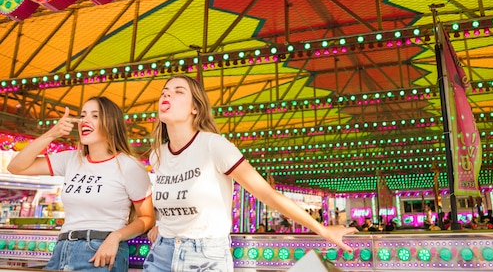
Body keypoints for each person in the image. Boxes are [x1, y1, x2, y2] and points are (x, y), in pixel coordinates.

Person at [143, 75, 358, 272]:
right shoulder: (157, 155)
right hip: (162, 253)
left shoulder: (214, 146)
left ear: (195, 108)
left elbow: (267, 194)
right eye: (165, 90)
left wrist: (323, 230)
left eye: (179, 91)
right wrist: (160, 225)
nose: (167, 94)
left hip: (204, 255)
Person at [7, 97, 155, 272]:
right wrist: (51, 134)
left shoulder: (129, 166)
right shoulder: (70, 159)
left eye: (94, 115)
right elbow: (15, 167)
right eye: (83, 115)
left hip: (100, 252)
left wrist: (116, 237)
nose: (85, 120)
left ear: (111, 123)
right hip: (62, 249)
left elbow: (147, 218)